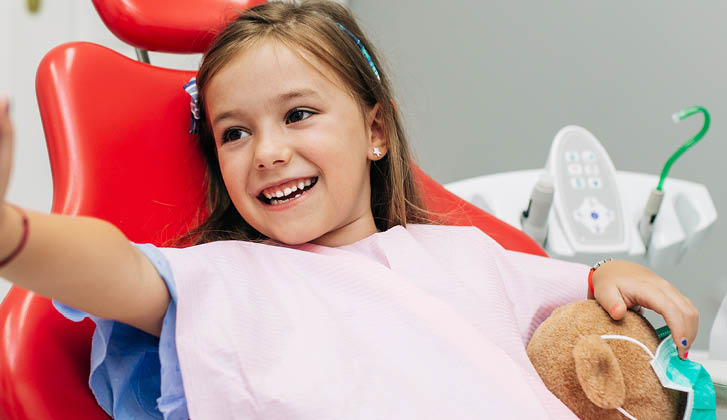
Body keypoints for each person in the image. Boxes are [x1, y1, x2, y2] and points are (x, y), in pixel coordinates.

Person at [0, 1, 699, 419]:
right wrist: (11, 233)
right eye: (233, 134)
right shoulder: (230, 279)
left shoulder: (464, 255)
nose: (266, 151)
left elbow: (569, 297)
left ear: (374, 131)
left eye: (298, 114)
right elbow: (114, 270)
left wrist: (608, 272)